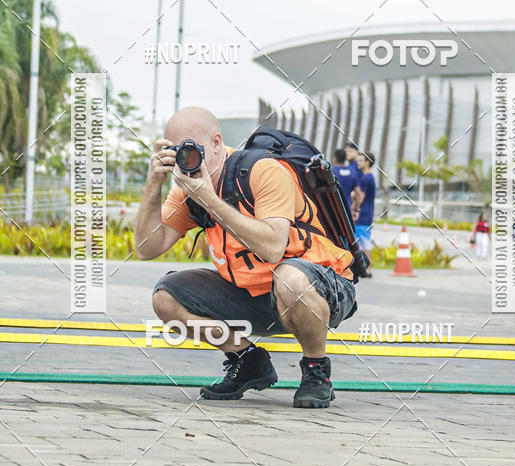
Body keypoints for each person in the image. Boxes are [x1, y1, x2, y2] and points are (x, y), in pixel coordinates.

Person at [135, 106, 358, 408]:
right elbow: (147, 248)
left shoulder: (261, 171)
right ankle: (248, 360)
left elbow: (272, 248)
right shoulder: (189, 188)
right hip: (256, 295)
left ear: (216, 142)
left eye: (192, 150)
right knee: (166, 298)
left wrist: (210, 201)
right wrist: (154, 185)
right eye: (177, 153)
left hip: (322, 288)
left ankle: (316, 371)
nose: (187, 161)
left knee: (289, 278)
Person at [354, 152, 376, 277]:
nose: (358, 162)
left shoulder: (365, 178)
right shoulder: (370, 177)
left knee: (364, 242)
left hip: (363, 214)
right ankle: (366, 268)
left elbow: (360, 198)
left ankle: (367, 268)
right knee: (363, 242)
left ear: (368, 162)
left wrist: (355, 209)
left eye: (361, 160)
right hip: (368, 213)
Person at [332, 148, 361, 214]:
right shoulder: (352, 172)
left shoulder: (331, 172)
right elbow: (358, 193)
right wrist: (356, 210)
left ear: (335, 158)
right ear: (345, 158)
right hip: (347, 208)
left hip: (332, 207)